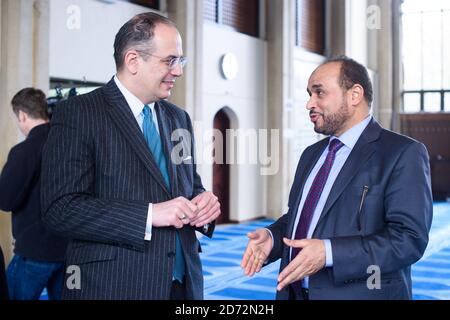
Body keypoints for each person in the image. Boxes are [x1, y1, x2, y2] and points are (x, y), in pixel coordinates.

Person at [41, 12, 220, 300]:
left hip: (183, 284)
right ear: (133, 60)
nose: (178, 71)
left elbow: (189, 186)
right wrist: (150, 215)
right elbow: (61, 210)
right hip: (115, 285)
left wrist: (203, 204)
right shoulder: (79, 113)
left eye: (180, 60)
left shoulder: (179, 118)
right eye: (169, 60)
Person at [241, 56, 433, 300]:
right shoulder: (312, 154)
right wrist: (272, 237)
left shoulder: (402, 153)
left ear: (354, 95)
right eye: (309, 93)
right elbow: (300, 218)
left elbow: (408, 240)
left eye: (319, 93)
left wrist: (329, 253)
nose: (309, 103)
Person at [0, 88, 68, 300]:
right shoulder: (68, 146)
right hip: (67, 248)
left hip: (34, 250)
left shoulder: (23, 151)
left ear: (22, 114)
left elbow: (6, 200)